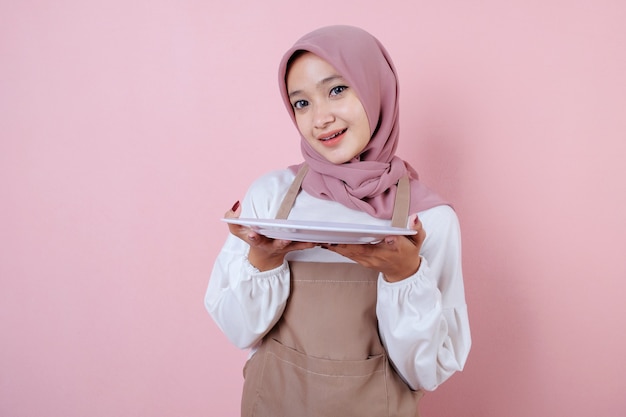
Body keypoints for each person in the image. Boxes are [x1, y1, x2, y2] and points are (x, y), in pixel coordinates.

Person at [205, 25, 471, 417]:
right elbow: (239, 331)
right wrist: (263, 262)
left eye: (336, 90)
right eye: (301, 103)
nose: (320, 119)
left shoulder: (428, 219)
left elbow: (426, 372)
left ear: (375, 88)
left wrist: (404, 275)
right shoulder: (271, 197)